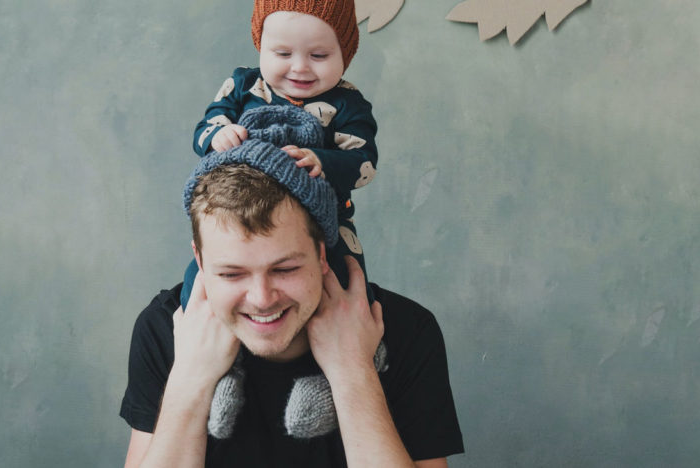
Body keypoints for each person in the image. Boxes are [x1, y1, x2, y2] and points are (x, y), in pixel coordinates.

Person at [120, 152, 464, 466]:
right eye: (231, 273)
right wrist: (190, 377)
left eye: (284, 269)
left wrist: (354, 370)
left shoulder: (403, 330)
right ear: (200, 259)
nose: (261, 298)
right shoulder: (166, 328)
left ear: (321, 252)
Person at [183, 0, 379, 309]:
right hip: (236, 211)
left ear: (346, 54)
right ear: (261, 46)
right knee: (203, 276)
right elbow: (207, 125)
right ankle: (197, 324)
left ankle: (356, 332)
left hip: (324, 217)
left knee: (347, 278)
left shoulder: (348, 104)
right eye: (283, 54)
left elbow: (364, 163)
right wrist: (219, 135)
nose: (299, 66)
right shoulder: (243, 85)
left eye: (318, 55)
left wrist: (322, 160)